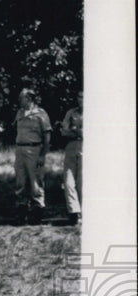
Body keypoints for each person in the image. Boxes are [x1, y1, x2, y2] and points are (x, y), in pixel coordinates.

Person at [12, 87, 51, 225]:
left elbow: (47, 135)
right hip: (20, 150)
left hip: (34, 150)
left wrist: (42, 155)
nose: (19, 100)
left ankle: (37, 212)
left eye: (21, 98)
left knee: (35, 182)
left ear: (28, 99)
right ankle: (21, 212)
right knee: (20, 181)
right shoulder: (19, 113)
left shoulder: (41, 114)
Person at [59, 90, 83, 225]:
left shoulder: (95, 112)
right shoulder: (71, 113)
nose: (80, 100)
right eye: (79, 97)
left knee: (82, 181)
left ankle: (84, 212)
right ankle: (74, 211)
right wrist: (76, 131)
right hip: (71, 146)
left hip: (87, 147)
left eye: (83, 97)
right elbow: (64, 131)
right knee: (68, 180)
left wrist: (75, 130)